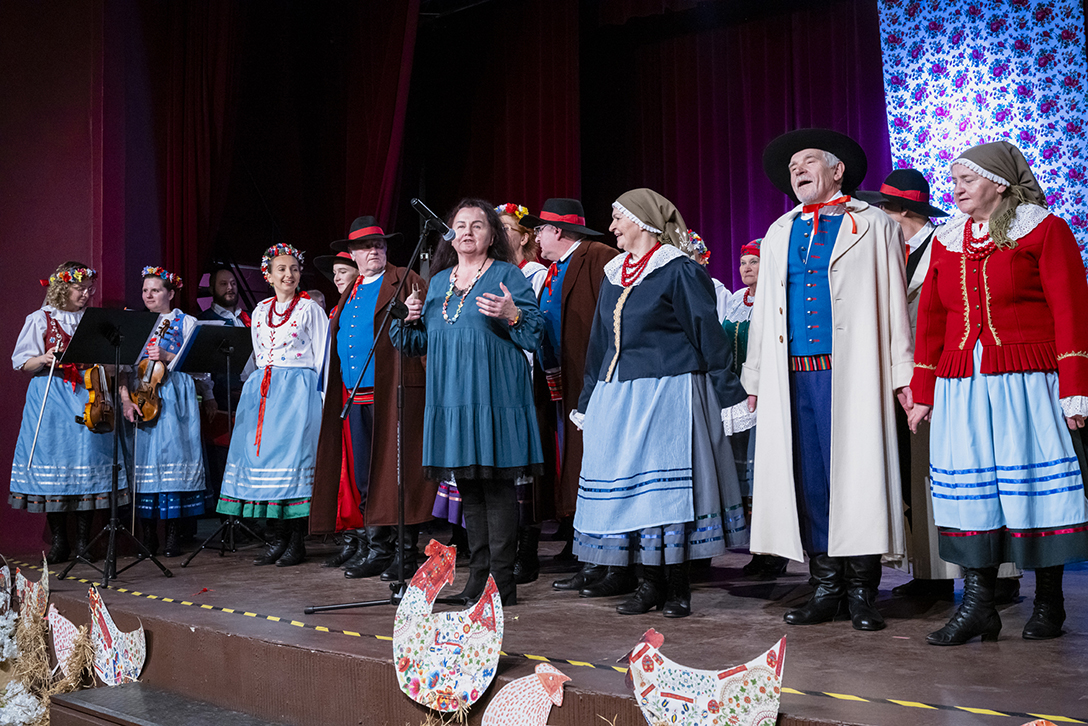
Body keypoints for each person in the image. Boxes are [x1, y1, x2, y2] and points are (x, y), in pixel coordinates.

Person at [907, 140, 1088, 644]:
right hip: (963, 385)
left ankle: (1049, 601)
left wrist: (1076, 386)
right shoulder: (947, 240)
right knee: (974, 492)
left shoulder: (1044, 229)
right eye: (954, 181)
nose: (956, 189)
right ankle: (978, 606)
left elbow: (1071, 309)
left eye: (966, 180)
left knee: (1032, 487)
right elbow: (931, 320)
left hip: (1026, 381)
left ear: (999, 184)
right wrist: (923, 390)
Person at [743, 129, 914, 632]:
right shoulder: (780, 230)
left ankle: (862, 589)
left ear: (837, 171)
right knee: (809, 481)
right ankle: (825, 587)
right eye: (792, 165)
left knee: (857, 479)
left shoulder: (874, 224)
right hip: (793, 376)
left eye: (808, 161)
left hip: (852, 372)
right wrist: (755, 377)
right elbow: (764, 312)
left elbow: (893, 300)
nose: (797, 170)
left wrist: (901, 373)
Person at [569, 189, 750, 618]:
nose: (612, 227)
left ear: (642, 221)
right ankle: (646, 583)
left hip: (669, 390)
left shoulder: (678, 270)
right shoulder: (615, 273)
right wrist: (589, 398)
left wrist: (728, 393)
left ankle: (677, 588)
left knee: (668, 497)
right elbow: (599, 343)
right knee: (633, 495)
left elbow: (707, 333)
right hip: (619, 394)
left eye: (618, 218)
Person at [395, 199, 544, 606]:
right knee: (470, 493)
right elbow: (418, 342)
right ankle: (478, 580)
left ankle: (501, 584)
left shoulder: (507, 274)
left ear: (492, 235)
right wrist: (408, 320)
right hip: (452, 399)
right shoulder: (439, 281)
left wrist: (513, 313)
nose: (467, 232)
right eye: (460, 225)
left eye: (477, 225)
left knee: (496, 490)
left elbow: (534, 334)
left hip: (495, 396)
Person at [312, 216, 434, 580]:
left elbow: (428, 334)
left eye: (379, 245)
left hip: (394, 394)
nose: (374, 251)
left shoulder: (406, 279)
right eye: (365, 247)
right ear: (352, 254)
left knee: (398, 476)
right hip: (354, 397)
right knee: (366, 476)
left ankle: (404, 552)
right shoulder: (351, 289)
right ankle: (378, 548)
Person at [505, 198, 618, 591]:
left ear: (557, 230)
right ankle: (583, 549)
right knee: (571, 466)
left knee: (591, 464)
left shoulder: (597, 256)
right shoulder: (558, 268)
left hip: (589, 380)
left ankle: (603, 558)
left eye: (540, 230)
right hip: (557, 380)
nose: (536, 237)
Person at [217, 244, 328, 567]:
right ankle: (277, 538)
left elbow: (323, 357)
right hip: (264, 393)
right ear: (268, 275)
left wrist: (321, 399)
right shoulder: (260, 311)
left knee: (292, 465)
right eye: (281, 269)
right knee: (265, 465)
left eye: (294, 269)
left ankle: (296, 541)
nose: (288, 275)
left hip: (298, 393)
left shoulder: (309, 309)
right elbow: (256, 355)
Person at [9, 262, 125, 563]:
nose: (86, 294)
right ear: (63, 287)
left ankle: (84, 541)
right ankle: (60, 541)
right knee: (55, 464)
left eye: (89, 289)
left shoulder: (94, 321)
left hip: (88, 393)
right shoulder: (41, 319)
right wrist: (44, 358)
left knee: (86, 461)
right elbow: (21, 362)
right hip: (52, 394)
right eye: (80, 288)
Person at [119, 267, 209, 557]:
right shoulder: (135, 322)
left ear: (170, 294)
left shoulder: (186, 321)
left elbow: (201, 364)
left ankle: (173, 536)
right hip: (142, 395)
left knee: (174, 461)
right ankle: (148, 537)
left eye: (155, 290)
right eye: (145, 290)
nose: (148, 295)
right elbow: (123, 367)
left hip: (175, 397)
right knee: (144, 463)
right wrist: (126, 400)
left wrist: (170, 356)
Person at [721, 239, 787, 580]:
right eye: (743, 262)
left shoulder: (775, 299)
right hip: (737, 397)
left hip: (765, 395)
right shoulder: (736, 301)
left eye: (754, 262)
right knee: (743, 476)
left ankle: (774, 553)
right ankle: (755, 547)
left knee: (765, 473)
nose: (746, 268)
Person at [198, 264, 249, 505]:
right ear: (211, 289)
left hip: (250, 395)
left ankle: (247, 510)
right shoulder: (205, 320)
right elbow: (202, 365)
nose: (230, 288)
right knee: (223, 456)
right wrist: (209, 394)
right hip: (222, 395)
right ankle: (225, 512)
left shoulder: (248, 318)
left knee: (248, 454)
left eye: (233, 284)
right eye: (223, 284)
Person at [314, 251, 360, 317]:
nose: (336, 278)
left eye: (343, 272)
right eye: (334, 273)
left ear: (359, 272)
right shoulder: (335, 312)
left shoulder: (369, 302)